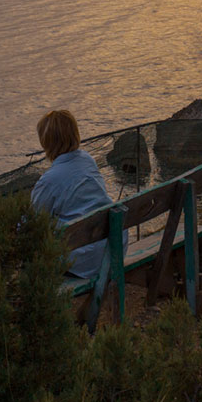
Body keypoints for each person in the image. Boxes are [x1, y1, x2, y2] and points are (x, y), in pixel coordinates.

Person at [30, 109, 123, 279]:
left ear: (46, 142)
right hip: (112, 247)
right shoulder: (87, 160)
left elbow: (33, 222)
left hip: (82, 262)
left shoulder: (49, 180)